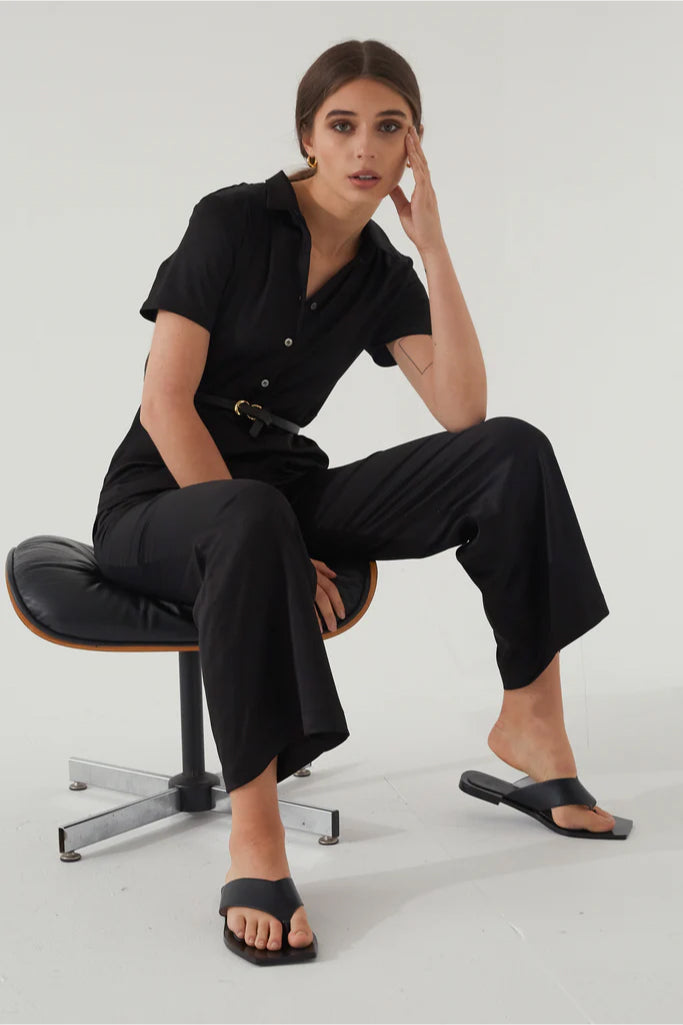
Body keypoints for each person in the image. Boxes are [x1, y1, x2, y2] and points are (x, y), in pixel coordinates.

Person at [91, 40, 628, 968]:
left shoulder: (382, 269)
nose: (363, 148)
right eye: (342, 125)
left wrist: (431, 244)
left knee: (510, 452)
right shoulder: (231, 221)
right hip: (162, 500)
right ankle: (255, 835)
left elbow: (463, 409)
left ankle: (531, 723)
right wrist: (271, 538)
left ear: (413, 146)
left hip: (283, 490)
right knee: (252, 514)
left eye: (389, 128)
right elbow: (163, 403)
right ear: (307, 134)